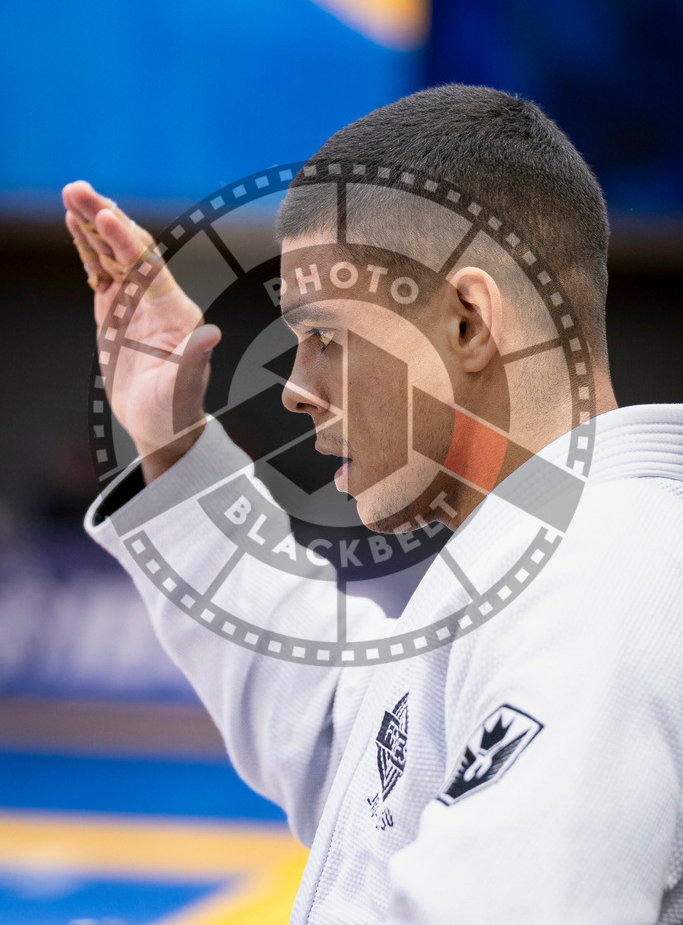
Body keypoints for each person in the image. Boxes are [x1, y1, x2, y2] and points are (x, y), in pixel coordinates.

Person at [63, 84, 683, 924]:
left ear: (467, 321)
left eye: (324, 338)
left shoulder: (602, 586)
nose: (295, 391)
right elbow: (354, 747)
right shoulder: (553, 556)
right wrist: (172, 446)